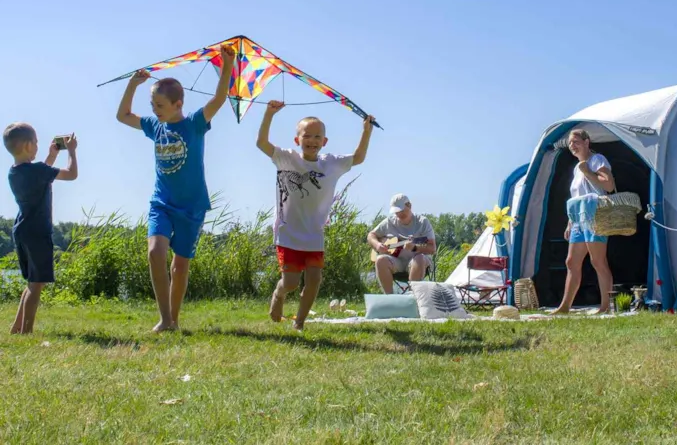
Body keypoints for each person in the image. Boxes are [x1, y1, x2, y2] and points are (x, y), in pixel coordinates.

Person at [115, 43, 236, 332]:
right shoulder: (154, 126)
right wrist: (133, 84)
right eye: (153, 106)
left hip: (192, 205)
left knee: (180, 266)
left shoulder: (194, 123)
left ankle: (174, 319)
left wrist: (227, 65)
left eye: (160, 106)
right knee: (155, 252)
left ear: (177, 105)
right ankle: (165, 319)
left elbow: (219, 99)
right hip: (162, 202)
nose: (155, 111)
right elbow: (122, 115)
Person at [256, 100, 375, 330]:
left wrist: (366, 131)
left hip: (314, 234)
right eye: (306, 136)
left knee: (314, 280)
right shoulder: (286, 158)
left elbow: (358, 157)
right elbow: (261, 143)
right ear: (297, 140)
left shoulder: (331, 164)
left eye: (317, 137)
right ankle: (279, 293)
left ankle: (299, 323)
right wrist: (269, 114)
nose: (312, 141)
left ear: (324, 141)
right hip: (288, 232)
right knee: (290, 282)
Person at [4, 124, 78, 334]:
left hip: (22, 230)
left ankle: (16, 327)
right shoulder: (37, 170)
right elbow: (71, 174)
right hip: (38, 232)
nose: (37, 145)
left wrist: (50, 156)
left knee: (31, 282)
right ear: (28, 145)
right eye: (35, 142)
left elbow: (41, 177)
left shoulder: (14, 172)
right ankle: (27, 332)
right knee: (36, 285)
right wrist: (71, 150)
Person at [554, 128, 616, 314]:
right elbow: (577, 196)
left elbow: (609, 185)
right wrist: (569, 223)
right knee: (571, 261)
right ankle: (565, 306)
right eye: (570, 143)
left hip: (594, 213)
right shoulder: (576, 168)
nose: (572, 145)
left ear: (587, 142)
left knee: (598, 261)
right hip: (578, 218)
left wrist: (587, 171)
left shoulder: (597, 160)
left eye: (576, 141)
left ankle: (606, 306)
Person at [367, 194, 437, 294]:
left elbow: (432, 248)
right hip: (397, 262)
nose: (399, 214)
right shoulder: (389, 222)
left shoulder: (422, 222)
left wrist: (414, 247)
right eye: (396, 211)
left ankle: (412, 297)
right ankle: (390, 299)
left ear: (409, 206)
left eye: (402, 210)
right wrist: (377, 245)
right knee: (380, 260)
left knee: (419, 258)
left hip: (418, 262)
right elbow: (371, 235)